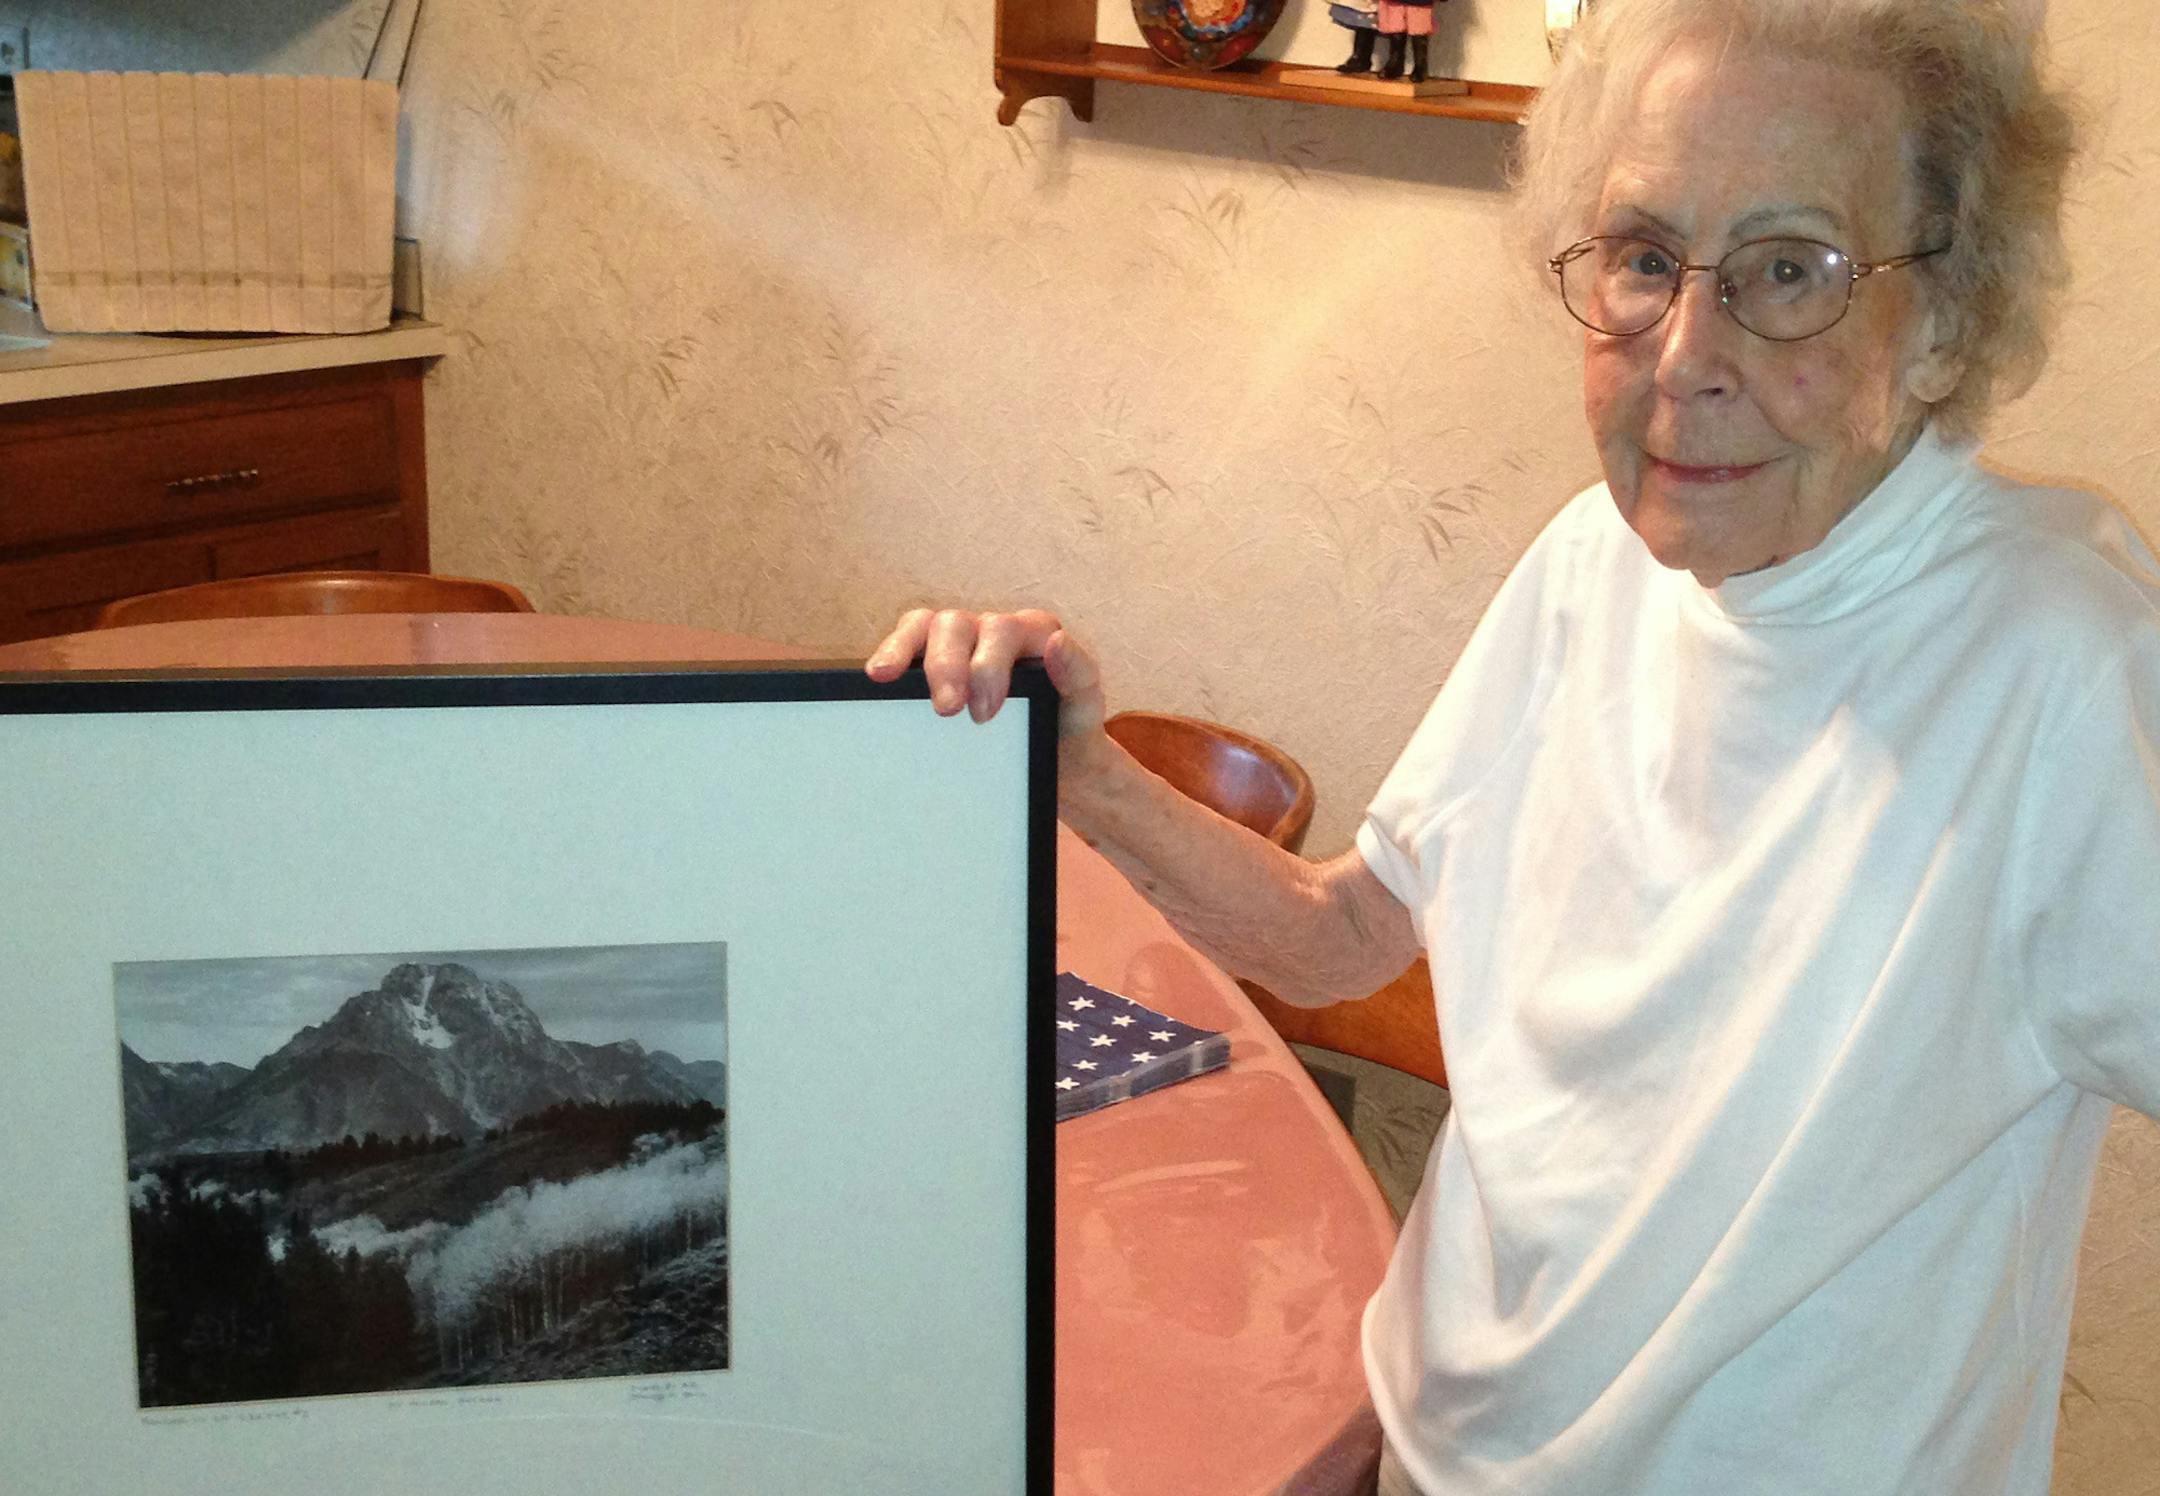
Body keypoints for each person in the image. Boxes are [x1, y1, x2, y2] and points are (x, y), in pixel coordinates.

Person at [870, 0, 2156, 1491]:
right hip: (1424, 1447)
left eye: (1787, 273)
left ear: (1941, 320)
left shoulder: (2062, 669)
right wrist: (1078, 768)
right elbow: (1340, 934)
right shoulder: (1597, 563)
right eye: (1645, 259)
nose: (1685, 357)